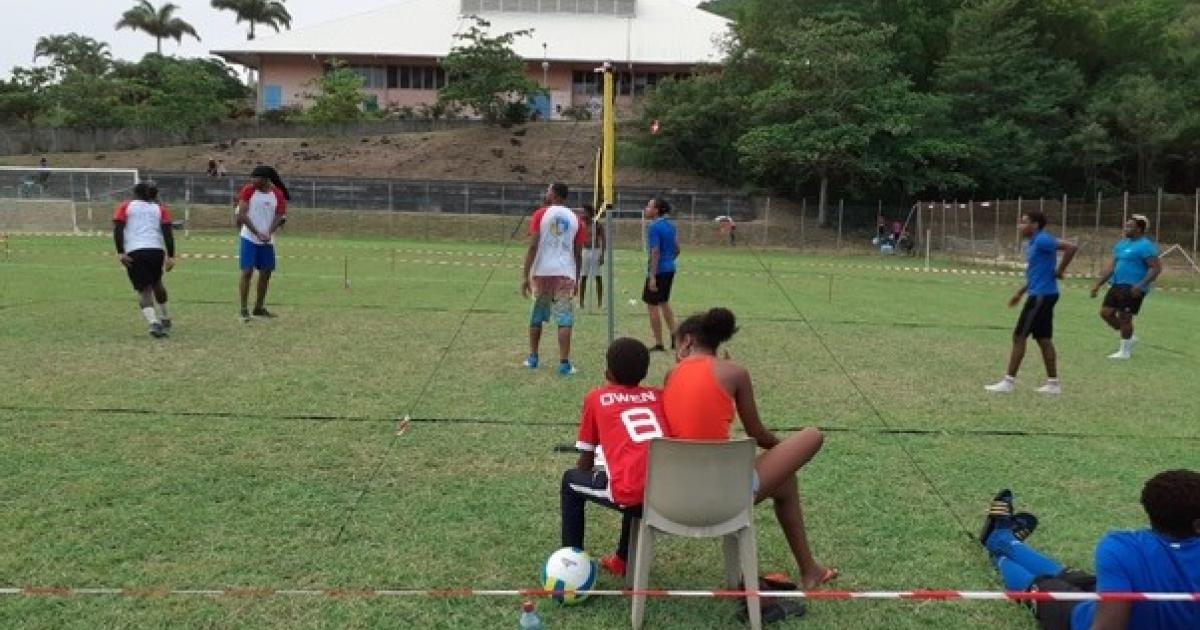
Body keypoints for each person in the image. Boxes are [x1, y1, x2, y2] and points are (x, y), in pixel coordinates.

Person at [662, 307, 835, 589]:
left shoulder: (672, 375)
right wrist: (784, 451)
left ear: (686, 341)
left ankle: (811, 570)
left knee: (785, 483)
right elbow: (758, 433)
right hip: (722, 499)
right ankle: (810, 571)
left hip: (672, 495)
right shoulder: (735, 372)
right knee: (812, 435)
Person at [978, 470, 1200, 630]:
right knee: (1074, 576)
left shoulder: (1122, 545)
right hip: (1112, 601)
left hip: (1085, 619)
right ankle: (1003, 540)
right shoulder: (1125, 548)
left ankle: (998, 552)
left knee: (1043, 586)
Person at [560, 337, 664, 577]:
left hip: (634, 497)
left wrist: (595, 466)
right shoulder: (659, 396)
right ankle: (623, 559)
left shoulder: (596, 398)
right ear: (646, 371)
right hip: (667, 496)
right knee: (636, 470)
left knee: (570, 481)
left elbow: (585, 463)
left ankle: (572, 567)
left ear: (608, 372)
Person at [985, 210, 1078, 395]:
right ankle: (1053, 385)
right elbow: (1037, 273)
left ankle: (1008, 382)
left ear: (1034, 225)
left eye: (1024, 222)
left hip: (1041, 296)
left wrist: (1060, 270)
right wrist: (1020, 293)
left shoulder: (1042, 239)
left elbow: (1071, 247)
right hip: (1041, 293)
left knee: (1019, 336)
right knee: (1044, 339)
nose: (1019, 225)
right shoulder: (1033, 243)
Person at [521, 182, 585, 375]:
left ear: (554, 194)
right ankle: (564, 363)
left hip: (542, 271)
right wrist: (577, 278)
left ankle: (533, 358)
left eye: (548, 190)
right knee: (564, 319)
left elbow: (533, 246)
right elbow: (578, 253)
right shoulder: (576, 219)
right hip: (565, 272)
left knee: (536, 316)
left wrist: (526, 275)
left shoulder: (541, 214)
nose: (546, 193)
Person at [1090, 214, 1161, 360]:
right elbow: (1112, 267)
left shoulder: (1146, 246)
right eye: (1126, 225)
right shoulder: (1121, 244)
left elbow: (1155, 268)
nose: (1126, 228)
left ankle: (1125, 351)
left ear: (1140, 229)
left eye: (1130, 226)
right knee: (1105, 313)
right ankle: (1129, 337)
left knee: (1125, 317)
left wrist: (1140, 285)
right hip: (1116, 284)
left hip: (1133, 287)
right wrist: (1098, 284)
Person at [113, 180, 176, 338]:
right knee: (157, 283)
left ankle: (154, 323)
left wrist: (120, 252)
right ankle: (165, 317)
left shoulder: (125, 206)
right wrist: (171, 256)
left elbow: (118, 228)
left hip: (135, 251)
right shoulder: (160, 209)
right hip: (156, 251)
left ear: (135, 193)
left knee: (144, 290)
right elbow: (168, 232)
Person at [237, 165, 289, 322]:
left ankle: (259, 308)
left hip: (267, 241)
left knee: (266, 273)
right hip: (249, 238)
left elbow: (280, 215)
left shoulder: (277, 194)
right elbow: (242, 214)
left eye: (255, 177)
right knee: (247, 272)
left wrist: (269, 232)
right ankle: (244, 309)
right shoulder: (248, 190)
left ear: (265, 179)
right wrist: (256, 232)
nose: (252, 180)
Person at [643, 197, 680, 352]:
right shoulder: (671, 226)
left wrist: (652, 276)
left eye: (649, 206)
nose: (646, 208)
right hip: (670, 269)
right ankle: (675, 337)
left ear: (656, 210)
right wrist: (669, 260)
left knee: (652, 306)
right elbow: (677, 249)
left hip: (658, 271)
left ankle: (659, 343)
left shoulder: (654, 227)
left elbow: (655, 251)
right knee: (664, 302)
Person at [577, 204, 606, 309]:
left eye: (584, 212)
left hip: (596, 251)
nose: (582, 214)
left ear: (590, 213)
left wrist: (602, 255)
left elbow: (603, 240)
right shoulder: (581, 225)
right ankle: (581, 302)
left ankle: (600, 302)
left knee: (598, 277)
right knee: (583, 277)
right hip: (585, 251)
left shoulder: (597, 225)